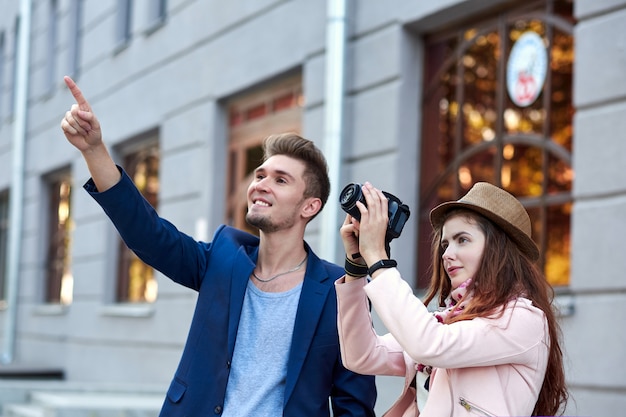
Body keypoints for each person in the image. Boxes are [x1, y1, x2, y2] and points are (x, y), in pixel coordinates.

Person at [60, 76, 376, 417]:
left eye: (280, 180)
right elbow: (147, 234)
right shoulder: (223, 258)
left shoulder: (341, 291)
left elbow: (353, 405)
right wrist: (94, 150)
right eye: (259, 175)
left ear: (309, 206)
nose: (260, 185)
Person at [335, 181, 568, 416]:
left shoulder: (523, 319)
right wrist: (356, 269)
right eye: (445, 244)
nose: (446, 254)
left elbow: (428, 344)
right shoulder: (448, 321)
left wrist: (378, 259)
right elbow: (362, 355)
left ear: (499, 249)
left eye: (462, 239)